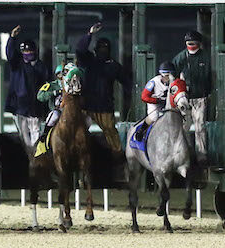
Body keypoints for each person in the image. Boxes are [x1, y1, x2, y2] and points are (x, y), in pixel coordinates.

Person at [75, 22, 130, 153]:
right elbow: (80, 50)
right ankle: (78, 154)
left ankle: (118, 157)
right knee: (79, 131)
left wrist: (129, 102)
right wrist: (90, 34)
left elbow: (127, 83)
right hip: (86, 106)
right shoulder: (89, 60)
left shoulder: (114, 65)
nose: (102, 51)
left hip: (104, 107)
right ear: (95, 49)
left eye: (105, 48)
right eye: (100, 48)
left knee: (111, 132)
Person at [5, 25, 51, 150]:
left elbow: (46, 85)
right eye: (25, 51)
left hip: (35, 106)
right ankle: (27, 154)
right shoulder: (17, 64)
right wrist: (12, 38)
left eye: (30, 51)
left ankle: (35, 154)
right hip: (20, 106)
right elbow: (9, 54)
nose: (28, 53)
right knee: (23, 134)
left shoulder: (41, 66)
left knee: (36, 131)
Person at [172, 29, 210, 164]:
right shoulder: (180, 58)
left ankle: (202, 156)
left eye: (194, 43)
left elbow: (211, 77)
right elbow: (173, 78)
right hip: (184, 99)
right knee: (184, 127)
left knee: (201, 127)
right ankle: (186, 153)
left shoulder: (206, 57)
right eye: (188, 43)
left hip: (200, 98)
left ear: (199, 43)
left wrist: (209, 94)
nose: (191, 45)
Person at [133, 61, 176, 141]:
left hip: (168, 103)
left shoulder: (174, 82)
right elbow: (144, 97)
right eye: (167, 76)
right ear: (162, 75)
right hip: (155, 102)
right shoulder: (153, 82)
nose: (169, 78)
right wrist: (157, 100)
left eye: (171, 76)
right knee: (154, 117)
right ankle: (141, 131)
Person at [34, 63, 69, 156]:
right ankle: (44, 136)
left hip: (69, 111)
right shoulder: (52, 85)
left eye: (64, 74)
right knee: (54, 116)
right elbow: (40, 96)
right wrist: (54, 92)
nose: (62, 77)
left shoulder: (72, 84)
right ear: (57, 75)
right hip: (57, 110)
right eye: (60, 74)